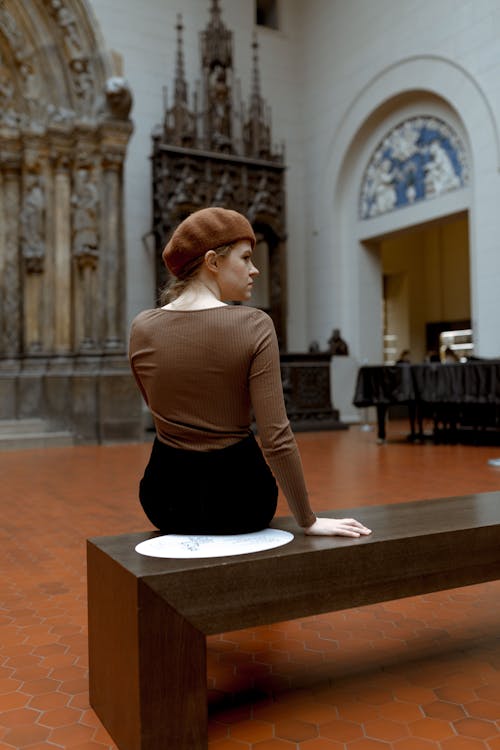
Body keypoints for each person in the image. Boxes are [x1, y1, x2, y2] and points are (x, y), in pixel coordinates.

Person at [129, 207, 371, 539]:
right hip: (241, 501)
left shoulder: (142, 328)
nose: (254, 270)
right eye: (245, 258)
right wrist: (307, 519)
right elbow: (276, 437)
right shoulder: (253, 325)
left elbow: (158, 410)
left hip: (165, 501)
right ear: (212, 262)